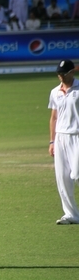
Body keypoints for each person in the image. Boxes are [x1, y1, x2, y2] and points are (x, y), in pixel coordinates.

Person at [48, 60, 79, 224]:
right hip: (60, 137)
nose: (60, 76)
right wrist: (52, 142)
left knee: (77, 174)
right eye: (59, 73)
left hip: (78, 135)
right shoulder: (55, 92)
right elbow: (54, 118)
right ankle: (71, 214)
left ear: (71, 72)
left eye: (63, 73)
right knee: (63, 178)